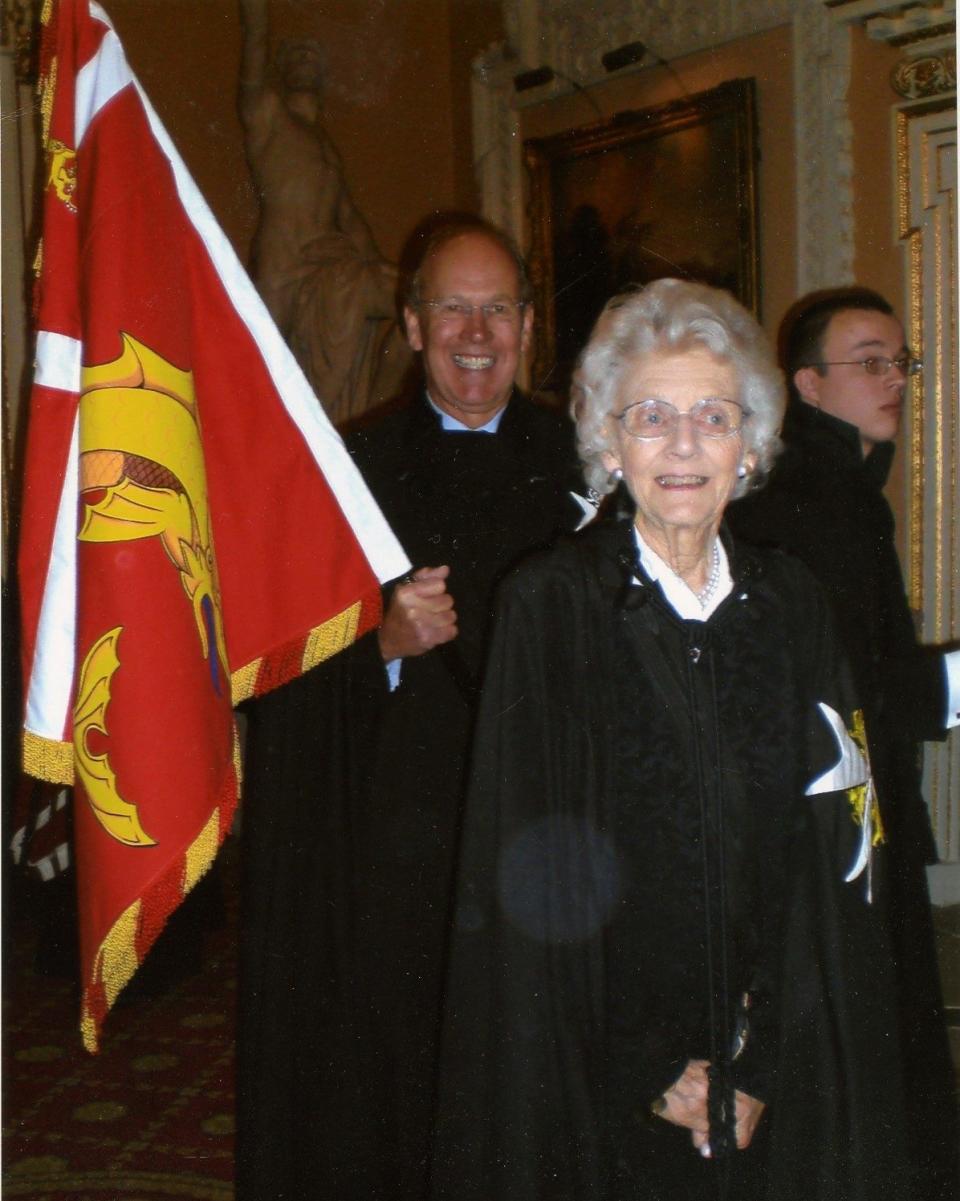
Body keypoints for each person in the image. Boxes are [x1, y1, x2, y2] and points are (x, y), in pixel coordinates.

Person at [431, 280, 913, 1201]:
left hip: (777, 1069)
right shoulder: (554, 605)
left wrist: (763, 1063)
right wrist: (654, 1070)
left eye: (714, 416)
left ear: (754, 442)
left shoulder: (792, 606)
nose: (685, 444)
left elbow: (838, 854)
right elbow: (531, 877)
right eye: (650, 416)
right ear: (609, 443)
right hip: (604, 1076)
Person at [237, 217, 589, 1201]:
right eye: (452, 308)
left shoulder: (591, 468)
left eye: (498, 308)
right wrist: (377, 647)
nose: (476, 332)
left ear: (526, 323)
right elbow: (274, 678)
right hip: (398, 852)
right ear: (411, 322)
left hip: (548, 846)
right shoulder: (345, 473)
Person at [727, 287, 959, 1198]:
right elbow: (866, 687)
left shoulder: (838, 487)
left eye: (899, 361)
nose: (892, 379)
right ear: (809, 386)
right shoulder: (826, 500)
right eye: (869, 360)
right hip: (838, 817)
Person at [238, 0, 409, 425]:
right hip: (283, 266)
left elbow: (350, 218)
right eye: (295, 54)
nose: (305, 60)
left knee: (421, 300)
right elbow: (255, 44)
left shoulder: (325, 146)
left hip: (332, 263)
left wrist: (377, 266)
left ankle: (376, 409)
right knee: (261, 382)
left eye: (313, 55)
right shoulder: (268, 117)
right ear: (280, 69)